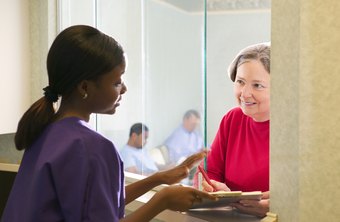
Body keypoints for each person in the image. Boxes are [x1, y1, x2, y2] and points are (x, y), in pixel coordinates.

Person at [1, 25, 216, 222]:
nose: (124, 89)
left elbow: (95, 202)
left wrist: (158, 179)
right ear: (84, 87)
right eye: (117, 82)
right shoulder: (92, 147)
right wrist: (163, 200)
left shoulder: (46, 131)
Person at [195, 43, 270, 217]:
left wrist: (280, 205)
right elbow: (209, 171)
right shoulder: (233, 119)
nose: (244, 94)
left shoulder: (295, 128)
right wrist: (212, 186)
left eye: (257, 85)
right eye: (240, 82)